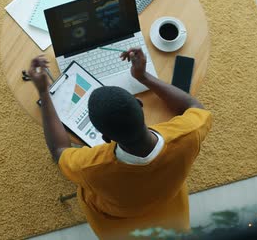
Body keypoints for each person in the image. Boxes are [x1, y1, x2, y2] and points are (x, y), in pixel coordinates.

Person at [27, 48, 213, 239]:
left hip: (118, 226)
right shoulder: (188, 135)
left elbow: (59, 150)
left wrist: (44, 92)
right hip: (171, 211)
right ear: (140, 105)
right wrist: (143, 76)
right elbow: (196, 107)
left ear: (105, 138)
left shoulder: (91, 166)